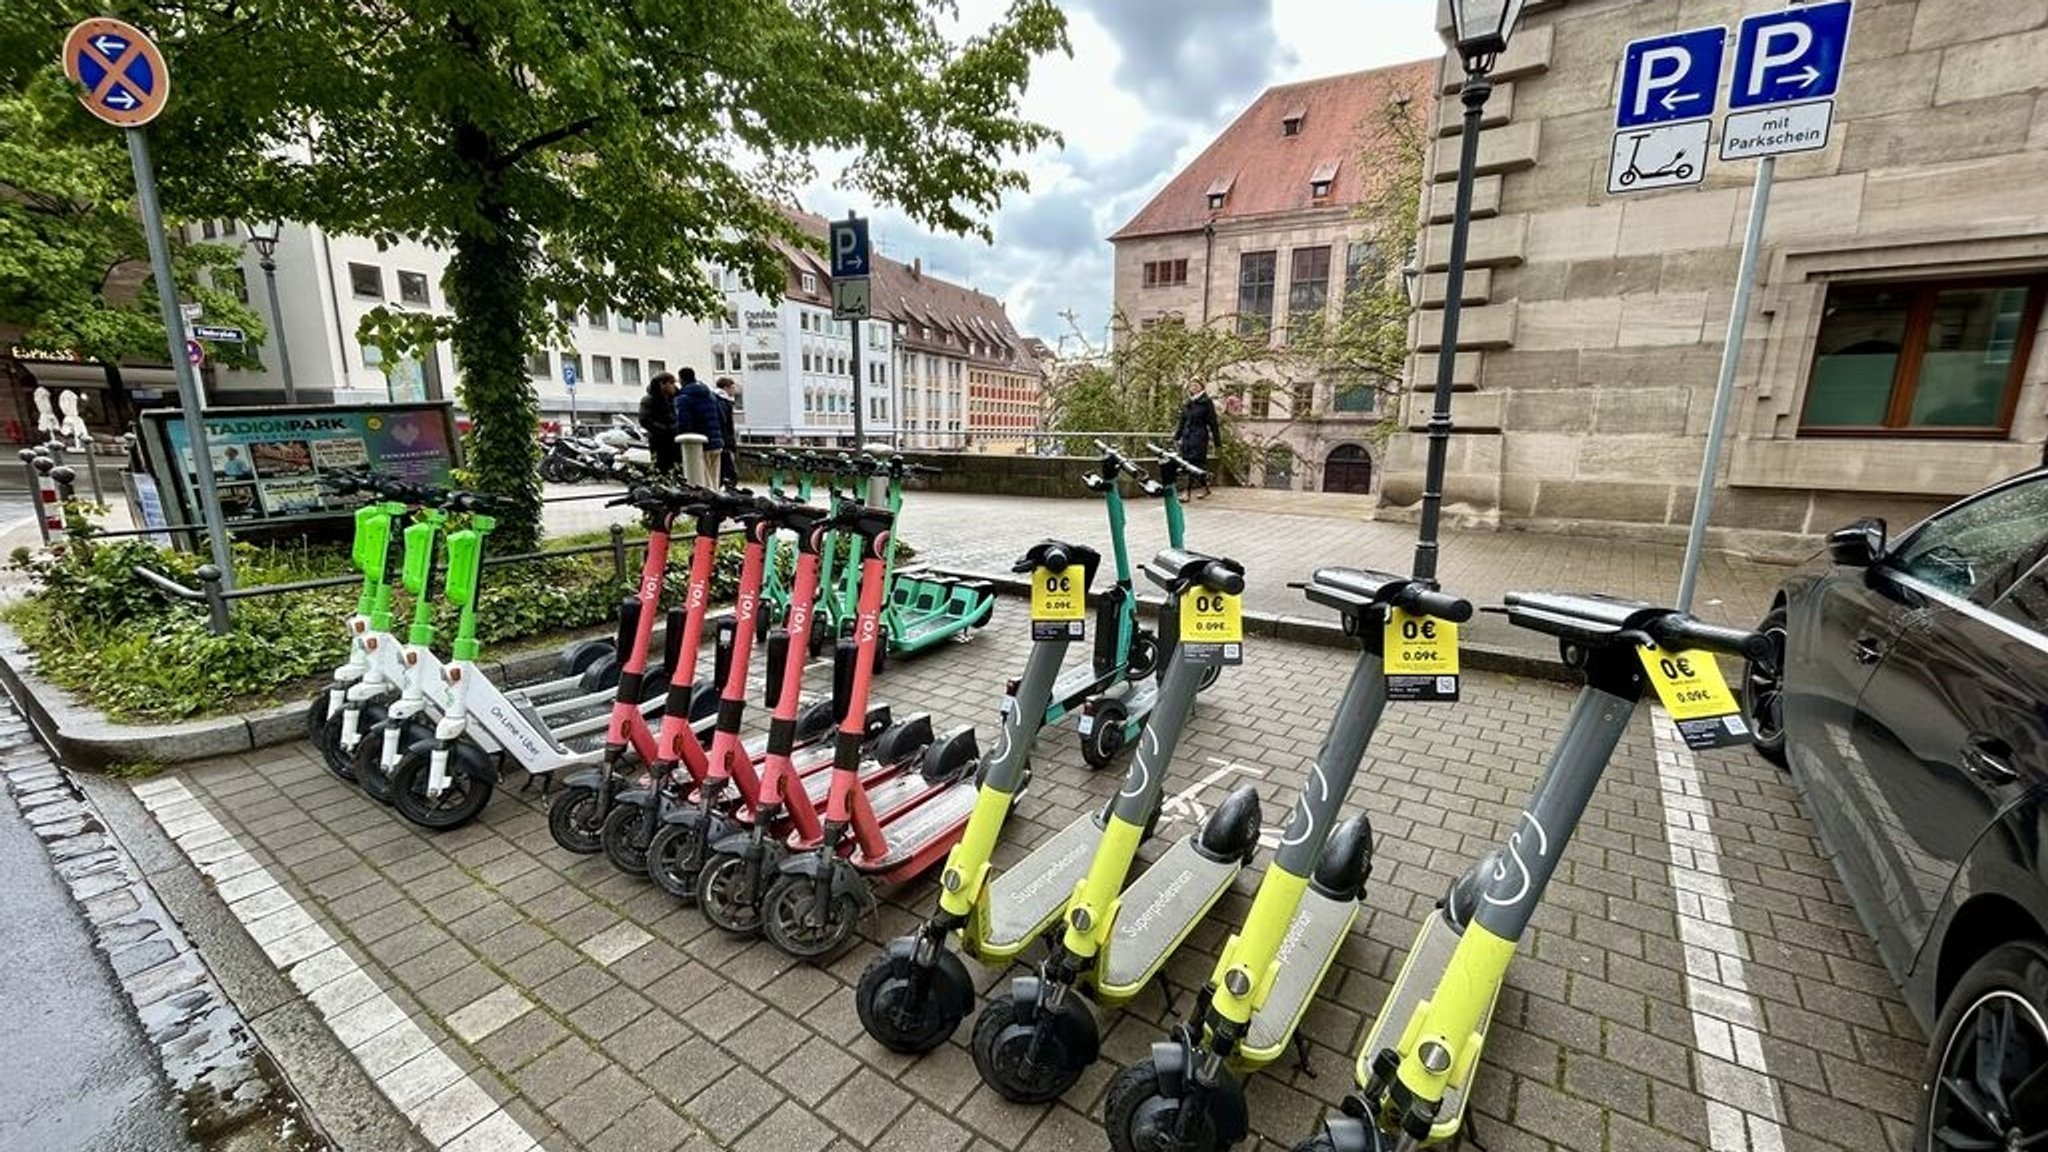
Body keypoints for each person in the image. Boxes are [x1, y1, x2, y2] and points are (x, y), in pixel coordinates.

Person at [672, 367, 725, 483]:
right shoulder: (710, 395)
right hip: (717, 443)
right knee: (714, 479)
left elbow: (684, 423)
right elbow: (722, 418)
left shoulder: (684, 398)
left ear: (681, 380)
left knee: (703, 481)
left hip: (699, 444)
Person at [1174, 380, 1221, 499]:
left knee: (1192, 463)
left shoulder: (1206, 402)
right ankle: (1205, 489)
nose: (1193, 387)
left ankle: (1186, 492)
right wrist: (1177, 436)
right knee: (1194, 465)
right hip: (1187, 437)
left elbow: (1213, 423)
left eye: (1196, 385)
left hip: (1199, 437)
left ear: (1201, 387)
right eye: (1191, 385)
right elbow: (1182, 421)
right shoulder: (1188, 402)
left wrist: (1217, 442)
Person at [640, 372, 682, 473]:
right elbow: (644, 420)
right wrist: (665, 429)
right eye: (671, 383)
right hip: (659, 442)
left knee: (677, 469)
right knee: (661, 469)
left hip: (675, 441)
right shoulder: (649, 400)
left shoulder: (673, 399)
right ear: (662, 384)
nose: (674, 386)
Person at [711, 377, 740, 487]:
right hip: (724, 443)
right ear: (725, 388)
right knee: (729, 474)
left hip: (721, 442)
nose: (734, 390)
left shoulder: (719, 400)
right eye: (732, 387)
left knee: (721, 473)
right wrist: (730, 443)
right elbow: (725, 425)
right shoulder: (723, 402)